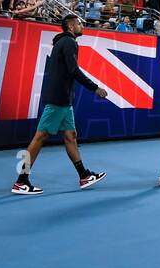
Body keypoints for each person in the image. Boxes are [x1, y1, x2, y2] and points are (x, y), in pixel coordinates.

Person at [11, 15, 108, 195]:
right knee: (40, 138)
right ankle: (21, 181)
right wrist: (94, 87)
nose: (82, 26)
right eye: (79, 23)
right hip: (58, 100)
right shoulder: (69, 42)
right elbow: (73, 70)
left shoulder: (62, 42)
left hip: (64, 100)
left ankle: (83, 175)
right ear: (71, 26)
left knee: (70, 136)